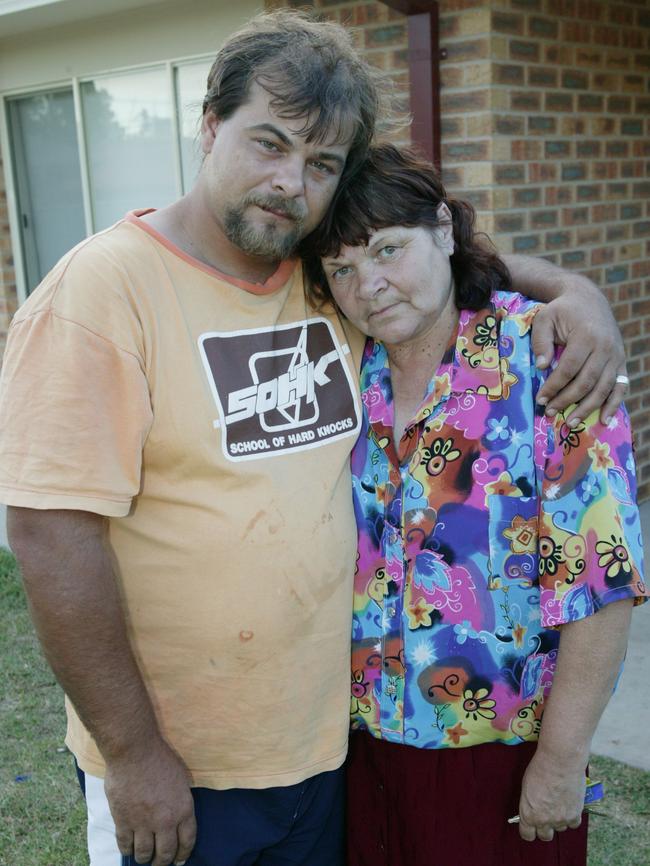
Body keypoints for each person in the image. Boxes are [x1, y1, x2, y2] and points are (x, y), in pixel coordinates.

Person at [0, 11, 631, 866]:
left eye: (321, 163)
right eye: (268, 142)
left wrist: (577, 293)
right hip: (187, 773)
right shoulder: (105, 292)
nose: (290, 182)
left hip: (331, 751)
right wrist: (134, 754)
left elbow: (421, 259)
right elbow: (48, 534)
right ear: (210, 125)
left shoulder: (315, 281)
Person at [301, 143, 647, 866]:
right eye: (342, 269)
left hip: (502, 757)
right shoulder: (339, 366)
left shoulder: (548, 356)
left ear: (444, 230)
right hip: (359, 753)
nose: (369, 285)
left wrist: (561, 760)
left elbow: (602, 586)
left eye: (388, 250)